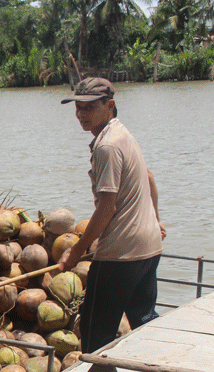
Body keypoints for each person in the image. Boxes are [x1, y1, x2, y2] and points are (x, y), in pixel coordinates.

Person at [59, 77, 165, 354]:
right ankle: (153, 369)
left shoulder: (106, 146)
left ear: (110, 105)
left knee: (95, 330)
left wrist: (78, 249)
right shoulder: (123, 134)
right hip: (149, 247)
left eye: (90, 107)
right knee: (143, 320)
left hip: (120, 254)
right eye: (78, 107)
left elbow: (108, 207)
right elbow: (149, 178)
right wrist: (155, 219)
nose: (81, 114)